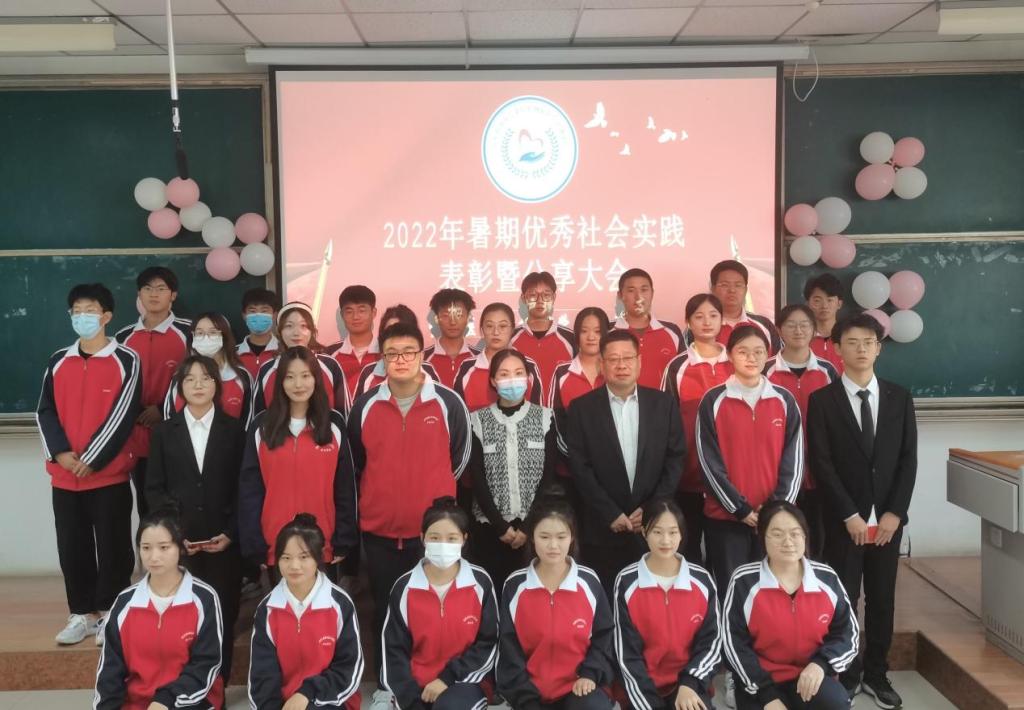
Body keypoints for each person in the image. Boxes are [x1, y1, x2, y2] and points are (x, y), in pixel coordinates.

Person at [348, 321, 472, 707]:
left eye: (408, 352)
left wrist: (436, 502)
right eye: (392, 354)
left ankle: (442, 681)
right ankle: (389, 686)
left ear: (421, 355)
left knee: (434, 610)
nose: (400, 360)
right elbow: (358, 461)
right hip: (381, 531)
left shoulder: (448, 402)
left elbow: (459, 459)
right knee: (386, 611)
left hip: (435, 536)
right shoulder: (366, 405)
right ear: (382, 359)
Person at [807, 313, 918, 709]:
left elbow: (908, 459)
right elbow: (821, 463)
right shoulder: (822, 401)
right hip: (844, 522)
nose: (861, 349)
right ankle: (848, 672)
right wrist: (848, 514)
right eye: (852, 342)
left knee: (883, 599)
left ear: (879, 349)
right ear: (837, 348)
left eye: (868, 342)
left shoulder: (899, 397)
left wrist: (895, 513)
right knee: (845, 598)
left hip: (887, 522)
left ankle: (877, 673)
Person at [38, 283, 141, 646]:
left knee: (114, 547)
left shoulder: (126, 359)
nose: (83, 317)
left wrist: (93, 459)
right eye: (77, 311)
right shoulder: (58, 360)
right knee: (72, 547)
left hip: (108, 475)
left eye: (90, 311)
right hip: (65, 477)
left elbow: (124, 413)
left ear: (107, 316)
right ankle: (82, 614)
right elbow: (45, 411)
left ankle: (112, 611)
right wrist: (61, 454)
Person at [146, 355, 246, 680]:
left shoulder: (235, 430)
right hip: (182, 545)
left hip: (224, 543)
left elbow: (244, 488)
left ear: (217, 384)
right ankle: (186, 684)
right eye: (190, 379)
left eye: (205, 378)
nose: (198, 385)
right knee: (183, 615)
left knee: (222, 613)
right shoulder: (164, 432)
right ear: (180, 387)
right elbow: (154, 489)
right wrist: (175, 536)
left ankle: (218, 684)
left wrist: (231, 532)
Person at [567, 329, 686, 593]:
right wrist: (610, 513)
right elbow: (580, 467)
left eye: (628, 358)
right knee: (606, 598)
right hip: (603, 528)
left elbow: (675, 458)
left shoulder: (663, 404)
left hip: (653, 528)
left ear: (639, 362)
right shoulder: (581, 409)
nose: (621, 365)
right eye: (613, 359)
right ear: (601, 364)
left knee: (651, 600)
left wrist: (652, 509)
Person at [723, 501, 857, 710]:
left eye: (795, 533)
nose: (788, 542)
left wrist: (821, 664)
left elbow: (848, 634)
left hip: (809, 677)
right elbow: (733, 643)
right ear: (762, 536)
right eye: (777, 534)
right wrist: (766, 694)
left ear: (805, 536)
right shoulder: (744, 580)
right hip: (760, 681)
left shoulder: (826, 578)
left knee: (835, 703)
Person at [238, 346, 358, 571]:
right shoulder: (262, 426)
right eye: (290, 377)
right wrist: (254, 544)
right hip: (275, 546)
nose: (298, 384)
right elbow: (250, 489)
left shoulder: (333, 424)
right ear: (280, 382)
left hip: (322, 545)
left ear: (316, 379)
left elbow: (345, 487)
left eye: (305, 376)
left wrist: (344, 538)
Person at [94, 508, 224, 710]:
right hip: (138, 704)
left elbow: (206, 665)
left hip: (189, 702)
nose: (154, 557)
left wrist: (165, 701)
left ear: (180, 548)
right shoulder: (125, 602)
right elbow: (110, 671)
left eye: (164, 547)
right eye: (146, 548)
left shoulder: (204, 598)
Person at [497, 494, 616, 710]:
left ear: (572, 538)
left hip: (579, 688)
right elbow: (508, 646)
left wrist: (590, 674)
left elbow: (604, 635)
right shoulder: (515, 586)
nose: (553, 545)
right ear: (532, 538)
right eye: (544, 537)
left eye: (561, 537)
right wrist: (524, 696)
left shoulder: (588, 582)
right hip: (529, 694)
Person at [382, 497, 499, 710]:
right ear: (422, 538)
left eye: (452, 538)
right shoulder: (404, 587)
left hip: (465, 681)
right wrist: (409, 698)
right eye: (434, 538)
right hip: (416, 685)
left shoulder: (480, 582)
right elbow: (394, 651)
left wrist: (447, 678)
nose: (443, 544)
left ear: (464, 539)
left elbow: (488, 642)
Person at [613, 498, 721, 710]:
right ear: (644, 532)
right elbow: (626, 653)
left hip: (688, 685)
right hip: (641, 688)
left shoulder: (701, 580)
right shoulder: (626, 581)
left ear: (682, 534)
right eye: (657, 532)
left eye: (673, 532)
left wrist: (690, 683)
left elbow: (712, 642)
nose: (666, 540)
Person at [248, 514, 363, 710]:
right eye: (286, 557)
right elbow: (262, 676)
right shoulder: (267, 609)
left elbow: (348, 668)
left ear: (318, 557)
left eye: (304, 557)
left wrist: (307, 694)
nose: (294, 566)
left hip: (332, 700)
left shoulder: (340, 604)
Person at [468, 349, 558, 589]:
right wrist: (501, 526)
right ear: (493, 380)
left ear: (528, 378)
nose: (512, 380)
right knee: (494, 592)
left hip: (535, 529)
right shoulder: (477, 421)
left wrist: (528, 527)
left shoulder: (545, 418)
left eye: (518, 373)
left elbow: (548, 476)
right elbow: (477, 478)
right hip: (491, 529)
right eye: (504, 374)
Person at [661, 294, 733, 566]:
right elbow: (667, 422)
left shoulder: (736, 361)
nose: (706, 322)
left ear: (722, 320)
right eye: (699, 316)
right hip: (688, 475)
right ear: (688, 322)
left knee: (724, 554)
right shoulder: (677, 366)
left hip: (728, 478)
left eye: (713, 315)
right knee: (688, 551)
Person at [115, 266, 192, 518]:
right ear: (139, 294)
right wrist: (137, 411)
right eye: (147, 288)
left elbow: (201, 379)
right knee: (147, 505)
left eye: (161, 288)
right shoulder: (124, 337)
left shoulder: (189, 332)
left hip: (178, 433)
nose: (154, 294)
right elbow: (117, 384)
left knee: (182, 504)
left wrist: (162, 409)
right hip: (137, 434)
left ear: (173, 295)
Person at [765, 305, 839, 560]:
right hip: (779, 470)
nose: (798, 331)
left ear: (814, 329)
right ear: (779, 330)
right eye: (791, 325)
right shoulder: (765, 370)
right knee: (782, 534)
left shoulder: (828, 371)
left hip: (820, 468)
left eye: (805, 325)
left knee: (818, 536)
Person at [549, 307, 609, 513]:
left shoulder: (615, 372)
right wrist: (578, 461)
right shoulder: (562, 372)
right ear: (576, 335)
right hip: (570, 471)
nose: (591, 337)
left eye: (598, 331)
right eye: (584, 331)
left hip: (610, 472)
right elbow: (555, 421)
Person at [253, 301, 350, 416]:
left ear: (312, 330)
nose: (296, 333)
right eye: (289, 326)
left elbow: (344, 414)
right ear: (279, 331)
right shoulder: (267, 369)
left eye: (303, 326)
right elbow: (258, 416)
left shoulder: (330, 365)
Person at [162, 312, 253, 428]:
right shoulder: (180, 376)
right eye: (199, 333)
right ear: (193, 338)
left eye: (213, 332)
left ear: (224, 337)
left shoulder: (241, 376)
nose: (206, 338)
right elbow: (170, 422)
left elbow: (247, 423)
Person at [456, 302, 543, 411]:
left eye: (502, 326)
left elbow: (538, 413)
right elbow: (459, 414)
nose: (496, 332)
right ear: (482, 330)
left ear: (512, 329)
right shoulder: (467, 368)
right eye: (489, 326)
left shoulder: (529, 365)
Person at [611, 268, 683, 389]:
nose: (638, 296)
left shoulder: (672, 332)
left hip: (664, 401)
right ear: (620, 295)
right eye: (631, 290)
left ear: (652, 293)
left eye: (644, 290)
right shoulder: (609, 333)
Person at [353, 304, 440, 399]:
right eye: (390, 332)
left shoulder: (427, 371)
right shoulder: (369, 373)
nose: (396, 338)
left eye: (402, 331)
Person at [510, 271, 577, 391]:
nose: (540, 300)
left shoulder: (571, 338)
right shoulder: (511, 338)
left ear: (554, 297)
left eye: (546, 295)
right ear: (524, 298)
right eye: (533, 295)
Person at [706, 260, 781, 355]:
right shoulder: (701, 325)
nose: (732, 290)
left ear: (745, 290)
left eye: (738, 285)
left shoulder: (765, 325)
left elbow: (776, 361)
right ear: (713, 289)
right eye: (725, 285)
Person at [328, 284, 381, 399]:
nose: (356, 317)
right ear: (342, 315)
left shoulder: (387, 352)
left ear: (374, 312)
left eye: (361, 310)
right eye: (349, 311)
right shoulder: (329, 356)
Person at [423, 288, 480, 389]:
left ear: (468, 318)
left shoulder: (480, 358)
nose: (453, 322)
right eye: (446, 315)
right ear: (436, 318)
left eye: (459, 315)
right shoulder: (422, 359)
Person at [804, 274, 846, 374]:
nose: (824, 306)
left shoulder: (848, 337)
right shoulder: (800, 338)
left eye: (830, 300)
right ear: (808, 304)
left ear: (839, 304)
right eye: (817, 300)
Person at [237, 287, 281, 380]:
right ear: (244, 315)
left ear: (274, 315)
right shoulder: (232, 354)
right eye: (252, 311)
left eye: (264, 311)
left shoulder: (283, 351)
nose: (258, 315)